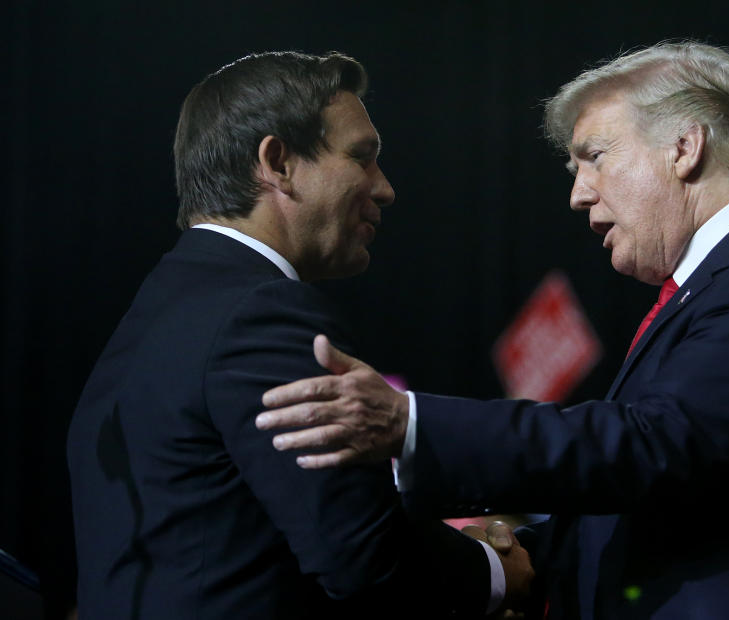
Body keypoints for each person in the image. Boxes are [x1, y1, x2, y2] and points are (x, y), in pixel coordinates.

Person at [256, 41, 729, 618]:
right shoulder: (715, 286)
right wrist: (519, 560)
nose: (578, 194)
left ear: (685, 146)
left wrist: (411, 424)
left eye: (593, 157)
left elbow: (656, 447)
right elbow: (665, 498)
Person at [66, 51, 531, 619]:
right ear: (278, 162)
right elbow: (362, 556)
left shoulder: (164, 309)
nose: (384, 189)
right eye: (362, 157)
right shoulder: (257, 314)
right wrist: (496, 572)